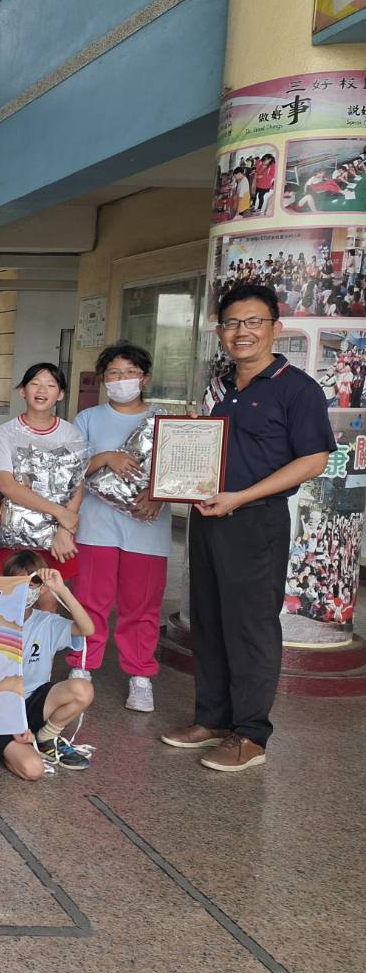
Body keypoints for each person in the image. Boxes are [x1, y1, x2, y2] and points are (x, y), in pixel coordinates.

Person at [162, 282, 333, 772]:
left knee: (250, 627)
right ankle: (212, 719)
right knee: (209, 620)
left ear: (275, 328)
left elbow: (314, 460)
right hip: (207, 518)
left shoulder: (297, 388)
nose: (243, 331)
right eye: (233, 323)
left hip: (256, 521)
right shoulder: (219, 388)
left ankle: (251, 734)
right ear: (220, 331)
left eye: (254, 322)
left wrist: (241, 496)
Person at [70, 343, 170, 711]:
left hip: (147, 528)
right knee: (89, 601)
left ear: (145, 378)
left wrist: (159, 497)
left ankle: (140, 676)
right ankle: (82, 665)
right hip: (95, 527)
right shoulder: (88, 419)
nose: (121, 379)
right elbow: (68, 469)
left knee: (141, 606)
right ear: (103, 379)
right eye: (113, 373)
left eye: (129, 372)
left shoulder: (164, 421)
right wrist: (105, 457)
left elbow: (181, 470)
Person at [1, 551, 97, 771]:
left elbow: (87, 629)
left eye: (32, 583)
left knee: (82, 689)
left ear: (42, 588)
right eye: (17, 583)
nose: (25, 590)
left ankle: (46, 737)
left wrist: (61, 589)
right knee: (28, 767)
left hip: (36, 702)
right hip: (1, 705)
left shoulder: (48, 623)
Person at [0, 363, 87, 578]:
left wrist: (64, 530)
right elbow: (7, 486)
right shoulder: (6, 432)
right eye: (35, 384)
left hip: (56, 537)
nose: (42, 390)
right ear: (22, 391)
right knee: (10, 593)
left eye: (51, 385)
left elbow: (76, 486)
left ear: (60, 394)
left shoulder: (71, 434)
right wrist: (60, 513)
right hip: (14, 533)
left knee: (51, 592)